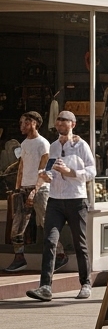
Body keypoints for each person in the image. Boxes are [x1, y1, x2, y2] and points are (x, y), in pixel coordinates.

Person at [26, 110, 95, 301]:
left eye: (64, 120)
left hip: (76, 200)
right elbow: (50, 169)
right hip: (55, 200)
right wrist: (45, 175)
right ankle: (46, 286)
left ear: (73, 124)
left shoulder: (82, 146)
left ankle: (85, 283)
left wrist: (70, 172)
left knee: (80, 243)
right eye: (58, 120)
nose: (60, 123)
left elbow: (92, 171)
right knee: (50, 240)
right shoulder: (54, 146)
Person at [7, 112, 52, 274]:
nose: (21, 126)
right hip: (24, 188)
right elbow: (21, 167)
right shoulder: (25, 144)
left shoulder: (43, 144)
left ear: (33, 123)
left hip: (39, 189)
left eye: (24, 123)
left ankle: (58, 253)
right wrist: (18, 188)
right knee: (17, 224)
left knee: (45, 222)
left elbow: (45, 169)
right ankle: (19, 257)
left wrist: (35, 190)